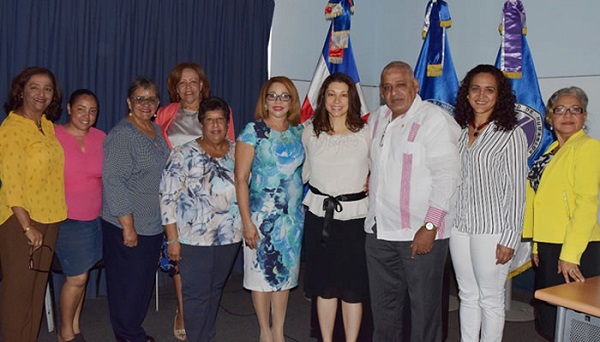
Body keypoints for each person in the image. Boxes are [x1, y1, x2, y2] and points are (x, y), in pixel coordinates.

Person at [365, 61, 461, 342]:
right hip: (379, 231)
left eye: (401, 85)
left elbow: (448, 176)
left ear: (415, 86)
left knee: (424, 313)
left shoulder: (435, 120)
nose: (393, 93)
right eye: (387, 87)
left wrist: (430, 226)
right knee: (383, 312)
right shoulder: (377, 119)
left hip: (420, 234)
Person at [155, 63, 234, 340]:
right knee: (196, 295)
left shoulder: (237, 152)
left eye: (220, 120)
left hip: (227, 236)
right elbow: (167, 197)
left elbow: (246, 189)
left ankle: (206, 336)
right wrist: (172, 239)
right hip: (191, 237)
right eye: (209, 120)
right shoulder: (182, 153)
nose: (215, 125)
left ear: (227, 122)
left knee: (213, 291)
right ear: (201, 123)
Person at [449, 65, 528, 341]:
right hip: (460, 226)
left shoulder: (510, 134)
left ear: (500, 95)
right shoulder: (458, 130)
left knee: (491, 300)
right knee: (467, 295)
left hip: (493, 229)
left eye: (489, 89)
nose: (481, 95)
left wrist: (510, 237)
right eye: (475, 88)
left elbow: (517, 190)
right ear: (466, 93)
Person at [523, 86, 600, 340]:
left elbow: (587, 204)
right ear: (549, 116)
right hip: (550, 243)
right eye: (560, 110)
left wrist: (570, 255)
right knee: (551, 315)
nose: (568, 114)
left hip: (577, 247)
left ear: (584, 116)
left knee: (576, 321)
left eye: (575, 109)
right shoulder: (550, 151)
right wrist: (536, 246)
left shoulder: (588, 148)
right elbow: (542, 202)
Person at [235, 76, 305, 342]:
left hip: (292, 219)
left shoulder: (299, 132)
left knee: (285, 276)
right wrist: (247, 222)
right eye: (272, 96)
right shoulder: (252, 131)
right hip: (260, 218)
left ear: (292, 101)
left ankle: (279, 330)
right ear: (264, 101)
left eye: (284, 96)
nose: (278, 101)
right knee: (261, 276)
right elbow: (240, 179)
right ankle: (265, 331)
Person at [0, 66, 67, 341]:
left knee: (37, 290)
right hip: (21, 222)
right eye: (34, 87)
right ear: (21, 91)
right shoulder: (12, 128)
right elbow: (12, 184)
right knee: (18, 294)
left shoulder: (47, 126)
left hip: (50, 218)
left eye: (48, 89)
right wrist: (27, 227)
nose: (42, 94)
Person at [302, 73, 370, 341]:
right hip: (320, 218)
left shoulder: (366, 133)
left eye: (343, 94)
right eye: (331, 94)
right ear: (323, 97)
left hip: (356, 220)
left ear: (352, 98)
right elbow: (302, 172)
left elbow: (379, 170)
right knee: (325, 287)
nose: (337, 100)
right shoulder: (310, 131)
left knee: (353, 288)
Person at [102, 77, 169, 342]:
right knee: (127, 287)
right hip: (126, 225)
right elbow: (114, 181)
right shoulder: (122, 135)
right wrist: (128, 226)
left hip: (152, 224)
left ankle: (131, 331)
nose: (146, 103)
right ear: (129, 103)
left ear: (157, 104)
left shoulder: (154, 130)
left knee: (140, 285)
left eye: (151, 98)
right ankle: (128, 335)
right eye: (140, 99)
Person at [55, 89, 106, 342]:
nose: (87, 115)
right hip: (67, 220)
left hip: (94, 220)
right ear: (68, 108)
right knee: (77, 276)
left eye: (93, 110)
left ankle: (75, 326)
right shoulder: (53, 136)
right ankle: (65, 332)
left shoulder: (101, 138)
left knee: (83, 273)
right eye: (81, 109)